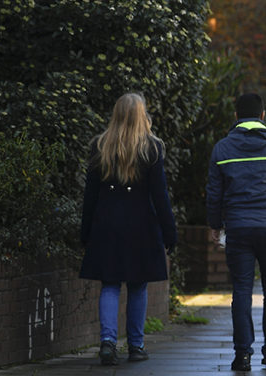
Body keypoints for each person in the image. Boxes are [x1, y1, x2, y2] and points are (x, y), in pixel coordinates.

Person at [79, 92, 177, 366]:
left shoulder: (101, 146)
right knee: (138, 285)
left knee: (109, 283)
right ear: (141, 115)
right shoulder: (152, 148)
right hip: (141, 226)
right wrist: (170, 233)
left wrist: (85, 232)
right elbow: (161, 197)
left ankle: (108, 342)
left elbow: (90, 196)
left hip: (106, 224)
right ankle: (136, 345)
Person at [207, 93, 266, 373]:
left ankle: (242, 355)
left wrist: (214, 225)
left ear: (236, 116)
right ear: (262, 116)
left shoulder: (222, 149)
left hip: (238, 228)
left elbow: (214, 193)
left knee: (242, 290)